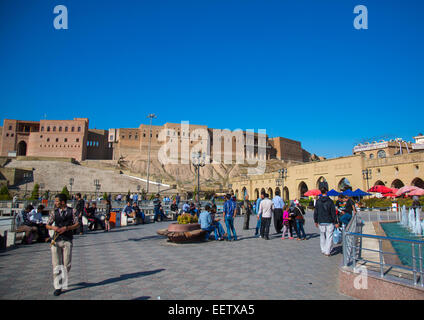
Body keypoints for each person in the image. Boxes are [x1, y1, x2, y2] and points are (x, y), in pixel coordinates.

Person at [46, 193, 79, 296]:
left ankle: (62, 280)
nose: (55, 203)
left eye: (57, 201)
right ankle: (58, 286)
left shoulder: (72, 211)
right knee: (56, 264)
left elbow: (77, 224)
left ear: (63, 202)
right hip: (56, 240)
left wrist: (67, 228)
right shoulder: (53, 212)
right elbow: (47, 225)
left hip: (67, 240)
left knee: (66, 264)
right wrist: (53, 228)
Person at [314, 186, 338, 256]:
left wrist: (315, 220)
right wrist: (336, 222)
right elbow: (333, 213)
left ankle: (323, 249)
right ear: (327, 192)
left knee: (322, 236)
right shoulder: (330, 201)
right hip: (329, 221)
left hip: (321, 221)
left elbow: (316, 212)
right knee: (329, 236)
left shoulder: (318, 201)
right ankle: (327, 251)